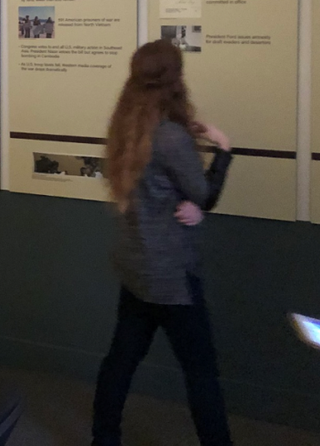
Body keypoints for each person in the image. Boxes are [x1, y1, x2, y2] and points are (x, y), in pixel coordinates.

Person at [92, 39, 234, 446]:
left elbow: (161, 186)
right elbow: (205, 193)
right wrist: (222, 151)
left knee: (121, 360)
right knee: (202, 372)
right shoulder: (169, 137)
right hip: (171, 273)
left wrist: (191, 203)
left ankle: (103, 439)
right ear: (175, 78)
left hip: (137, 264)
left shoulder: (128, 125)